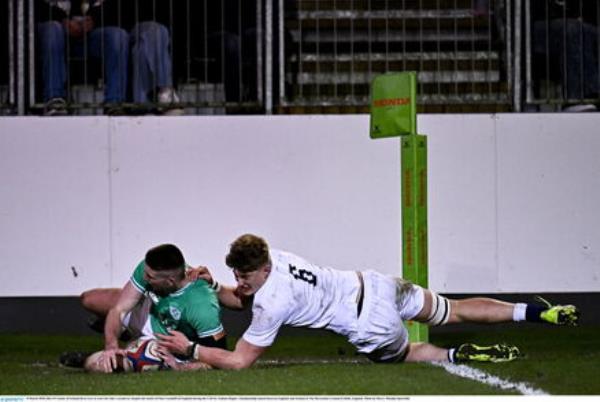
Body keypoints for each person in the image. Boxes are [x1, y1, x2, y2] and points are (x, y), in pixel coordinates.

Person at [157, 233, 580, 369]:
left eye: (243, 275)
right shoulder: (276, 258)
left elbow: (240, 361)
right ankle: (534, 311)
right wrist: (216, 288)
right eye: (235, 274)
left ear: (262, 268)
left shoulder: (272, 303)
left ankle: (456, 354)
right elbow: (242, 298)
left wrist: (192, 349)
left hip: (368, 322)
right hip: (375, 284)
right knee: (453, 308)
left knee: (407, 352)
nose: (239, 281)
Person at [62, 243, 226, 372]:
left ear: (169, 281)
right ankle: (125, 333)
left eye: (150, 277)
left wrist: (181, 366)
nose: (144, 277)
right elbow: (119, 309)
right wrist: (111, 346)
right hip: (150, 314)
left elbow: (219, 358)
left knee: (103, 365)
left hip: (168, 344)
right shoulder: (149, 269)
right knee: (89, 299)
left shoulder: (202, 305)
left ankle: (85, 359)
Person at [35, 0, 129, 115]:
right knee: (53, 29)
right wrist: (62, 20)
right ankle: (54, 99)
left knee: (118, 36)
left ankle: (115, 103)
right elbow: (34, 7)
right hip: (56, 31)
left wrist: (94, 19)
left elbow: (118, 6)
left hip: (91, 35)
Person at [126, 1, 182, 115]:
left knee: (140, 50)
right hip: (130, 29)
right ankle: (166, 89)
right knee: (156, 30)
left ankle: (143, 103)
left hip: (158, 36)